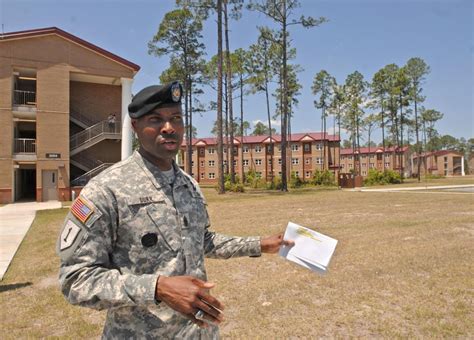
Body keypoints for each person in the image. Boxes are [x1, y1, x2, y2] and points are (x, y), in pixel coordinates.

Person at [57, 81, 293, 339]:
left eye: (176, 118)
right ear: (135, 126)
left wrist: (259, 244)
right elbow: (76, 280)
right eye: (156, 119)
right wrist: (157, 288)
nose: (168, 127)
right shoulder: (105, 190)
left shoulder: (188, 184)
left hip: (199, 332)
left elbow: (201, 240)